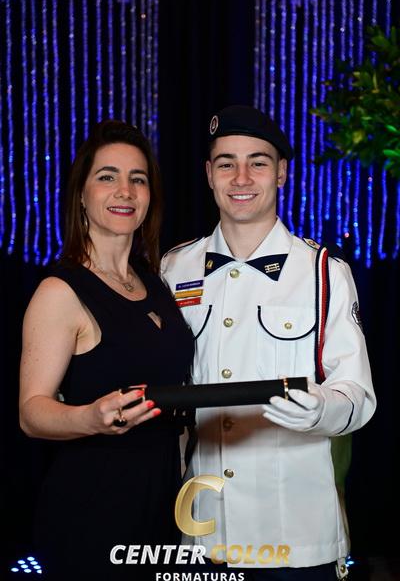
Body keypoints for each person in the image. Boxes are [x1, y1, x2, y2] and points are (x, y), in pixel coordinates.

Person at [161, 105, 376, 580]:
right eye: (226, 163)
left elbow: (358, 395)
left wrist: (320, 408)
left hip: (297, 536)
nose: (241, 178)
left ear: (281, 173)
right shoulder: (173, 269)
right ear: (209, 174)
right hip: (204, 531)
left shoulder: (324, 272)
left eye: (257, 162)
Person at [19, 120, 194, 580]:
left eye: (138, 179)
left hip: (163, 508)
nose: (125, 191)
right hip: (93, 510)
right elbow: (31, 412)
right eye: (107, 176)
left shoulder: (155, 282)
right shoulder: (61, 291)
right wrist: (89, 418)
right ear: (82, 193)